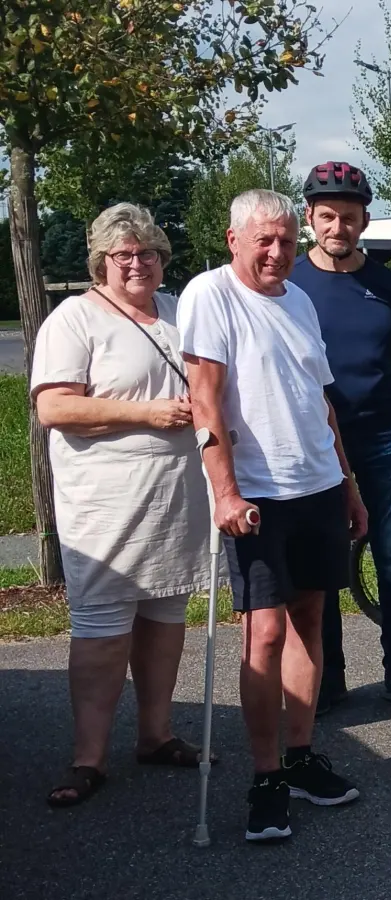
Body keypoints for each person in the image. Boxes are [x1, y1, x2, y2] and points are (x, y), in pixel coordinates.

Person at [179, 189, 367, 842]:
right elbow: (204, 400)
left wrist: (348, 483)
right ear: (235, 241)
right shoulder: (210, 295)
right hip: (256, 494)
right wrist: (224, 492)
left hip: (316, 483)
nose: (278, 252)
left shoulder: (302, 301)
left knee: (310, 618)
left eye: (287, 240)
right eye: (264, 240)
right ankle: (265, 777)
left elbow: (320, 401)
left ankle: (300, 753)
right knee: (262, 633)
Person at [31, 204, 211, 808]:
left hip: (176, 495)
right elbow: (55, 408)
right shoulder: (74, 319)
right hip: (107, 503)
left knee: (165, 622)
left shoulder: (179, 309)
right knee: (104, 630)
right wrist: (146, 413)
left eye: (149, 253)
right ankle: (89, 758)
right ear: (101, 262)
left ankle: (156, 735)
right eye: (123, 255)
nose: (138, 264)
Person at [287, 162, 391, 717]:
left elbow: (384, 358)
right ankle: (328, 680)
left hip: (384, 435)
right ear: (311, 219)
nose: (338, 227)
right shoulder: (290, 284)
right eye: (327, 216)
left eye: (348, 217)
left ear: (364, 221)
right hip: (317, 440)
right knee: (323, 563)